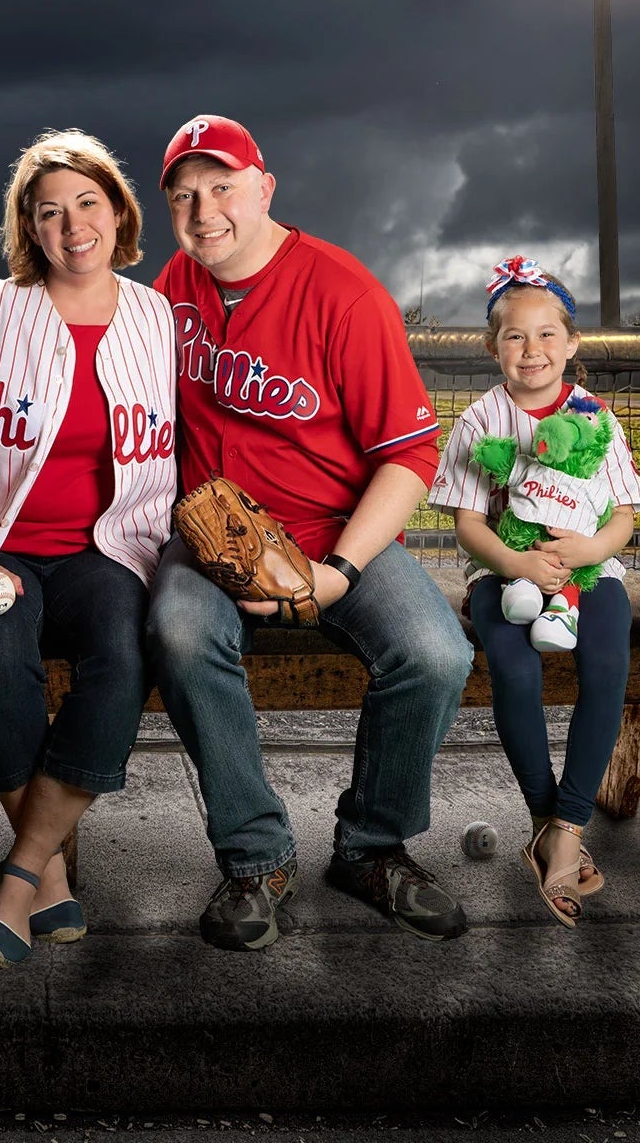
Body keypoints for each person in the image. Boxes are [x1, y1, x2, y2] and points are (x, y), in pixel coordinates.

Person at [144, 115, 476, 950]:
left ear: (265, 187)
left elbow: (408, 455)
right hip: (212, 535)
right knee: (180, 633)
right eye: (184, 194)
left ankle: (372, 847)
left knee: (436, 655)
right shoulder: (170, 286)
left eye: (222, 186)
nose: (204, 208)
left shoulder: (344, 290)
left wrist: (338, 570)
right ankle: (257, 858)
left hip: (336, 525)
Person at [0, 129, 177, 969]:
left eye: (87, 203)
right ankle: (51, 868)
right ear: (28, 227)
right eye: (48, 211)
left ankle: (20, 874)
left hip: (111, 551)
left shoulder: (157, 317)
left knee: (128, 654)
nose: (72, 226)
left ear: (119, 211)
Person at [427, 257, 640, 927]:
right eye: (515, 337)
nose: (532, 350)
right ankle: (541, 816)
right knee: (515, 671)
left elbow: (624, 516)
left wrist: (588, 551)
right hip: (504, 572)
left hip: (590, 571)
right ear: (493, 347)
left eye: (548, 334)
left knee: (607, 664)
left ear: (571, 343)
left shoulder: (595, 415)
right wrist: (517, 564)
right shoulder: (480, 420)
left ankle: (570, 828)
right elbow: (468, 526)